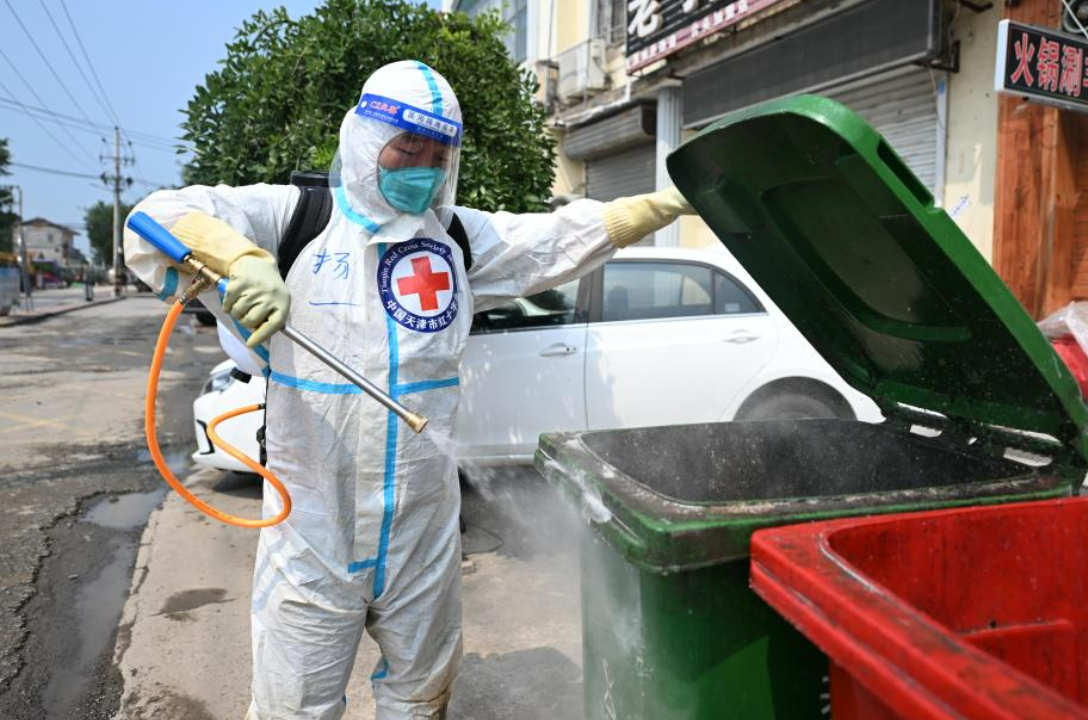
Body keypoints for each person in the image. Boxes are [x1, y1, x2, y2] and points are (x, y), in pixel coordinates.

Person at [124, 60, 693, 719]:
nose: (421, 166)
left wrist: (662, 204)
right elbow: (157, 215)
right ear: (368, 141)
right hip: (314, 534)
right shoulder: (295, 220)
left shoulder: (454, 238)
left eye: (437, 153)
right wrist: (241, 258)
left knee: (420, 700)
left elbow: (553, 239)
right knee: (293, 708)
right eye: (407, 148)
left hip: (422, 535)